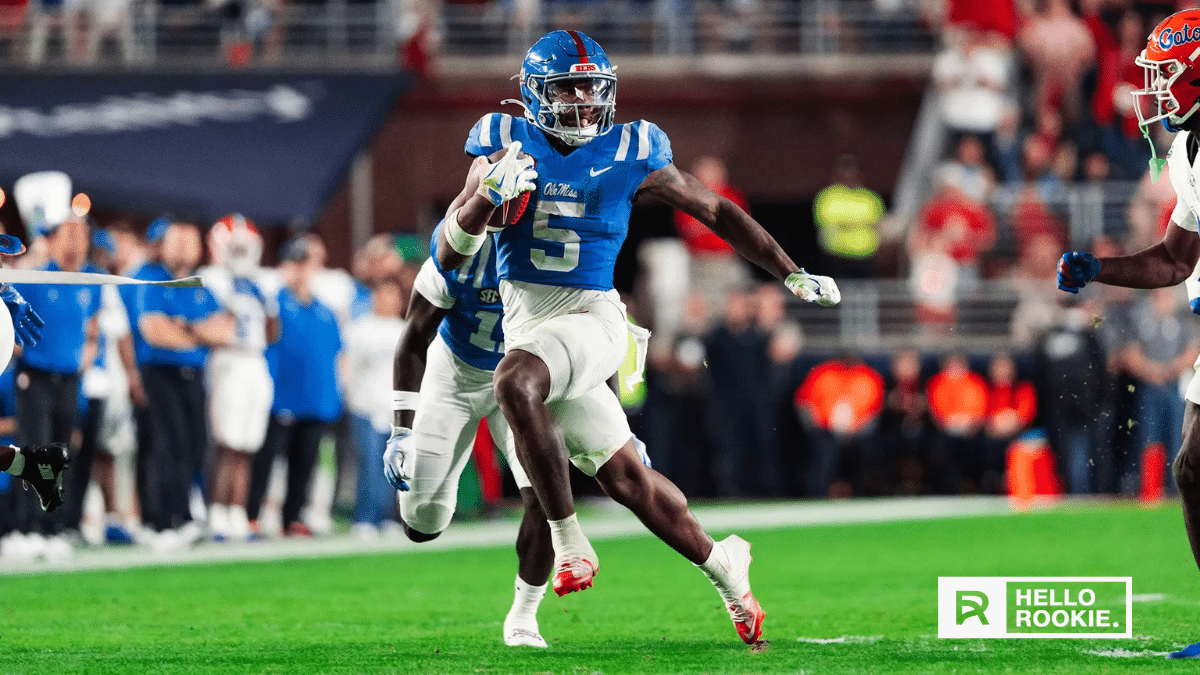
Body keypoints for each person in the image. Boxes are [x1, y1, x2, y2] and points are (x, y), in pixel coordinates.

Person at [422, 29, 841, 645]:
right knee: (626, 480)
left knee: (515, 379)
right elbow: (449, 251)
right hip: (531, 325)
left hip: (592, 317)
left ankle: (570, 542)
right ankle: (725, 567)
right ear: (536, 93)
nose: (584, 102)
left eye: (592, 89)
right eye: (569, 90)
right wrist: (486, 198)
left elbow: (716, 210)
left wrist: (789, 271)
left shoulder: (632, 147)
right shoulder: (501, 141)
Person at [1056, 9, 1200, 658]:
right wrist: (1101, 269)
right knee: (1192, 469)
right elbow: (1174, 259)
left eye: (1166, 73)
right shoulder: (1189, 152)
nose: (1156, 87)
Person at [386, 222, 554, 647]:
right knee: (422, 523)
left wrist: (614, 422)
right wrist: (401, 430)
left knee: (548, 498)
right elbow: (413, 338)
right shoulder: (457, 249)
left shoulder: (553, 250)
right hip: (455, 375)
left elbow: (595, 328)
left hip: (519, 379)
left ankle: (524, 615)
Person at [137, 219, 233, 545]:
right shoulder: (152, 280)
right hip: (160, 373)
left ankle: (186, 514)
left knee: (195, 445)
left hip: (194, 376)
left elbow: (224, 331)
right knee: (168, 445)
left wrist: (183, 327)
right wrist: (198, 332)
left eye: (189, 241)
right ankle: (165, 521)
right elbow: (155, 332)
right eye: (176, 241)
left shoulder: (201, 285)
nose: (183, 248)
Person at [245, 236, 342, 539]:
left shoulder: (325, 311)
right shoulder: (274, 304)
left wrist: (333, 396)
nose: (302, 271)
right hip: (279, 397)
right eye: (296, 264)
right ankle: (251, 515)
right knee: (265, 462)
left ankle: (293, 518)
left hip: (315, 400)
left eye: (307, 264)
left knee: (304, 465)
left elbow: (335, 355)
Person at [198, 214, 277, 542]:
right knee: (227, 442)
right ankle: (217, 511)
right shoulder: (212, 278)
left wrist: (269, 308)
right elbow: (209, 325)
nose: (241, 254)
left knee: (248, 443)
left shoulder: (261, 284)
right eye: (235, 247)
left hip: (255, 361)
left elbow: (272, 333)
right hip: (227, 359)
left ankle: (238, 511)